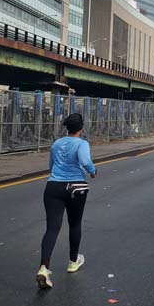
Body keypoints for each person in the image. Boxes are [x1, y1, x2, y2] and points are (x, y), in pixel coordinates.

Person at [37, 113, 96, 290]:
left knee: (52, 228)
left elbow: (51, 165)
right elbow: (85, 161)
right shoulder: (82, 143)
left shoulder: (56, 143)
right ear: (81, 128)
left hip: (53, 186)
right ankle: (73, 261)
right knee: (75, 224)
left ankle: (44, 268)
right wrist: (92, 170)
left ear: (67, 127)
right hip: (75, 186)